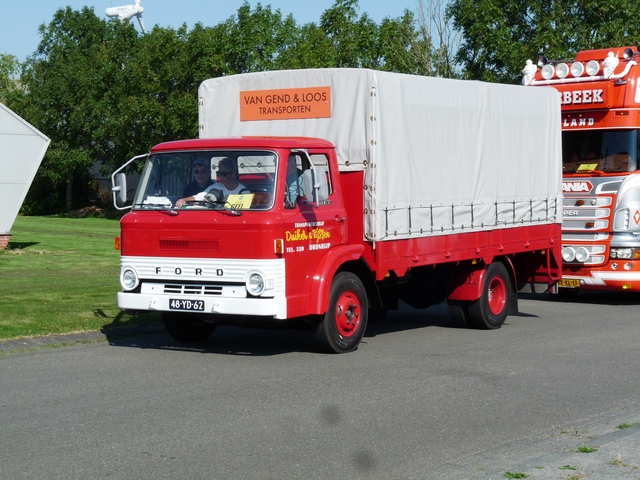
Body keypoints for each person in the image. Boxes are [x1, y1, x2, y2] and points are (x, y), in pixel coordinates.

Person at [176, 157, 246, 207]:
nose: (220, 176)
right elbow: (201, 196)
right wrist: (184, 199)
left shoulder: (243, 191)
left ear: (233, 174)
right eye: (219, 173)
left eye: (223, 174)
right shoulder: (216, 187)